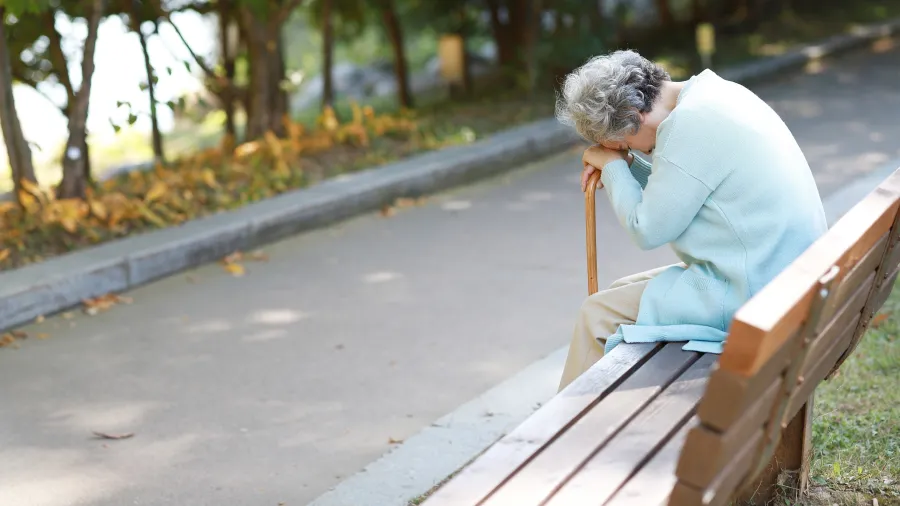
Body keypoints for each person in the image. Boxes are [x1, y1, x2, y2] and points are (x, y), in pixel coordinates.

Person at [554, 50, 828, 391]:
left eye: (619, 142)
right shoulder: (716, 95)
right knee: (619, 292)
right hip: (782, 275)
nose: (626, 149)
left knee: (597, 314)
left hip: (756, 294)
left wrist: (611, 167)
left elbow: (647, 229)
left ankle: (566, 435)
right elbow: (681, 187)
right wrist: (622, 166)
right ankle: (597, 416)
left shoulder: (689, 127)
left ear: (633, 117)